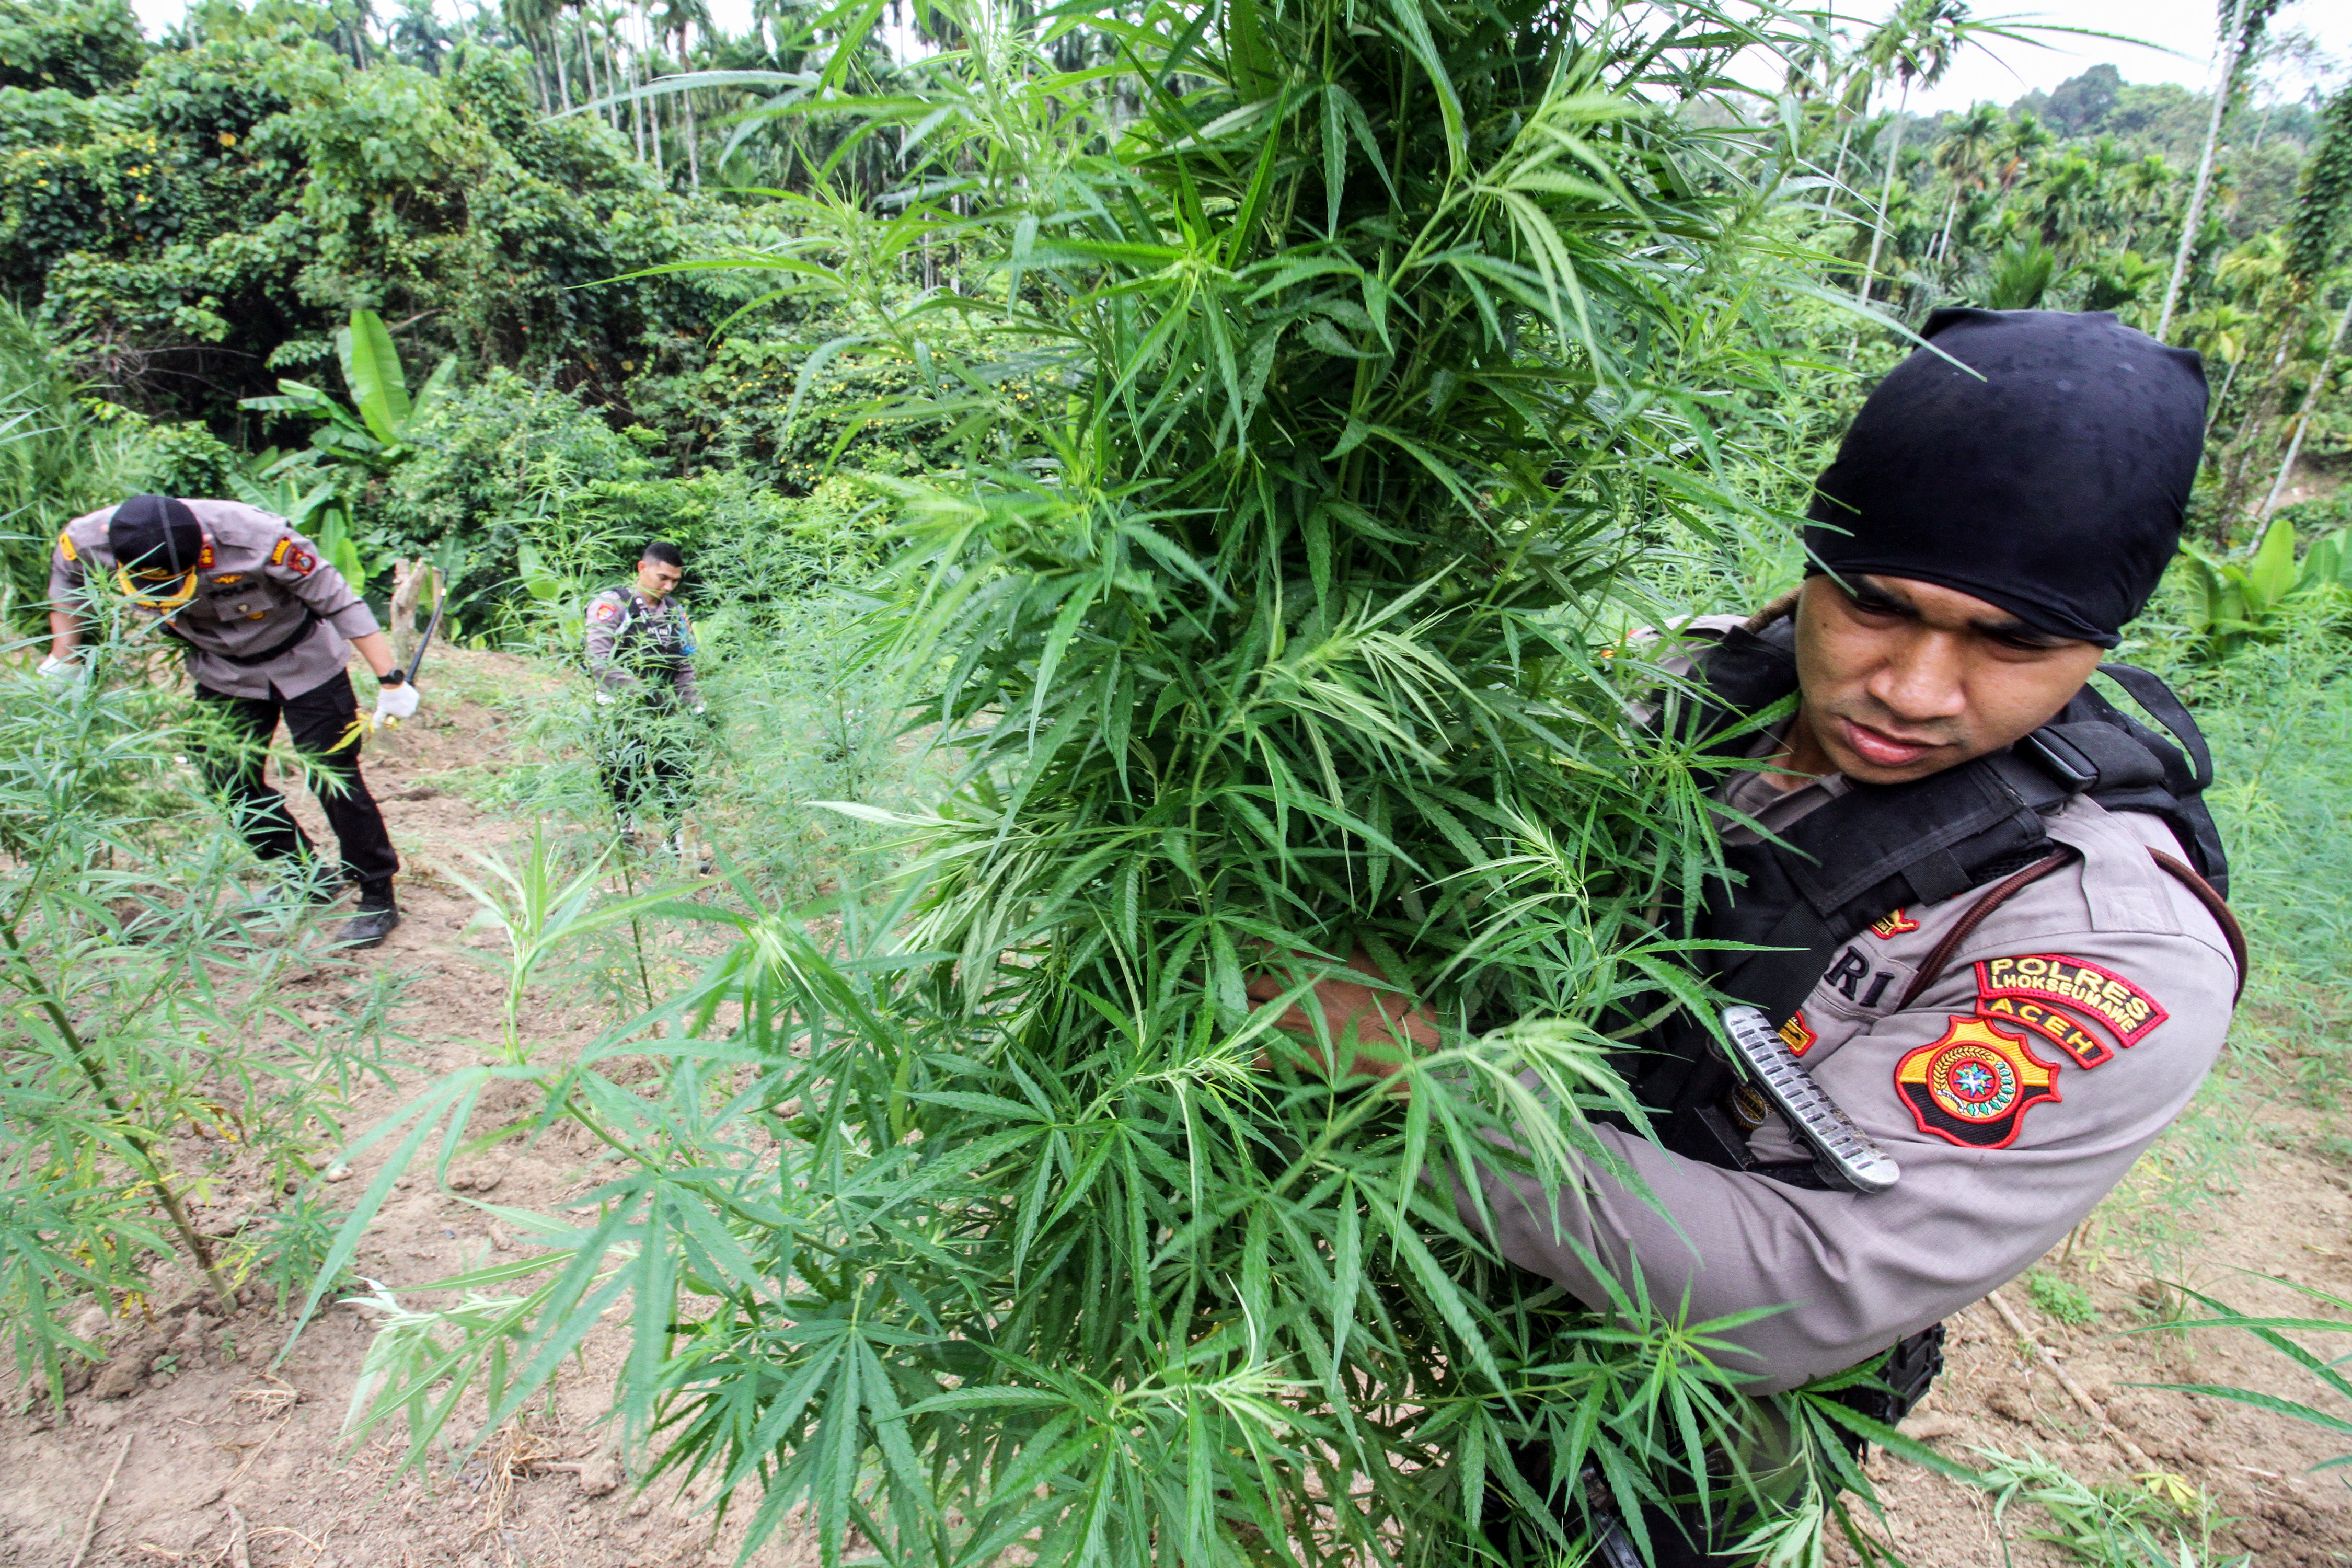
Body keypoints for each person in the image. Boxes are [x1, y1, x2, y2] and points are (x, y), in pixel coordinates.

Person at [1251, 310, 2245, 1565]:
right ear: (1807, 570)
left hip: (1701, 1394)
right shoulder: (1688, 690)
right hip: (1512, 1239)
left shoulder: (2100, 937)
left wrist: (1416, 1076)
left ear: (2098, 646)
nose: (1913, 686)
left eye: (2010, 641)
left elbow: (1803, 1291)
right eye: (1873, 605)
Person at [43, 494, 418, 948]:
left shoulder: (257, 538)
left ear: (201, 547)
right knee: (225, 779)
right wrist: (64, 660)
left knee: (333, 777)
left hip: (305, 661)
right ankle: (303, 872)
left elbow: (339, 601)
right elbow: (67, 585)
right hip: (222, 670)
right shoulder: (86, 540)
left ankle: (377, 894)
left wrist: (391, 681)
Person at [583, 540, 706, 856]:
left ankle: (676, 840)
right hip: (621, 707)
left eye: (675, 581)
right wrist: (642, 694)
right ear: (642, 569)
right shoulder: (613, 605)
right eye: (662, 578)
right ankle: (624, 832)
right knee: (624, 772)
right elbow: (598, 660)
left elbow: (684, 664)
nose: (668, 586)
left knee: (676, 770)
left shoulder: (675, 612)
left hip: (665, 708)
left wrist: (696, 705)